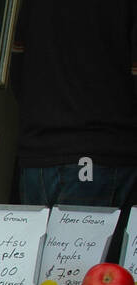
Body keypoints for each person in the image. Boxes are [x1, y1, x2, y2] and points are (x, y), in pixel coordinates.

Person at [11, 0, 137, 258]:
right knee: (82, 276)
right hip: (104, 149)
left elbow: (17, 68)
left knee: (41, 269)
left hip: (40, 149)